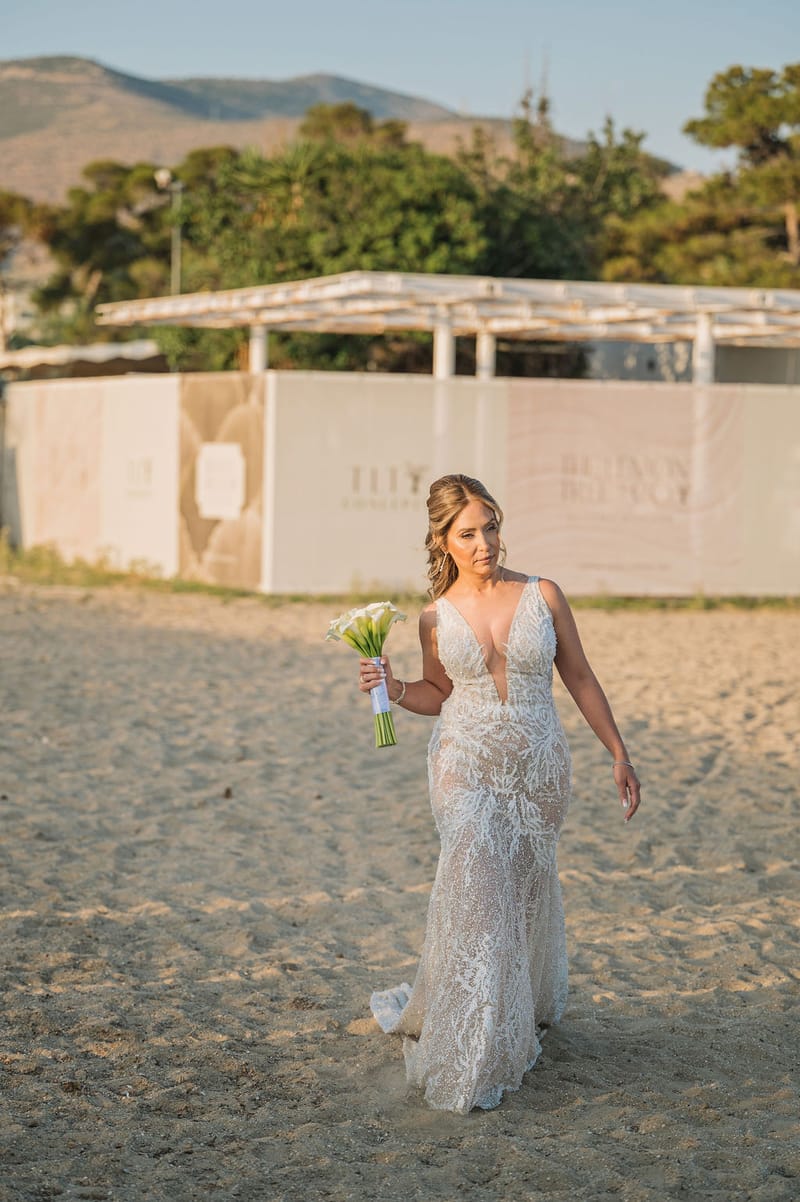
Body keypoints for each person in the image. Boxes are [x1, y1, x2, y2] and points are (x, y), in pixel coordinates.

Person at [358, 473, 641, 1114]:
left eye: (490, 527)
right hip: (463, 762)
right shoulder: (434, 617)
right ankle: (478, 1046)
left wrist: (619, 753)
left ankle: (516, 1007)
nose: (485, 543)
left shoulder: (543, 594)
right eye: (468, 533)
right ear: (444, 542)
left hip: (538, 768)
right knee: (478, 890)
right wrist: (396, 689)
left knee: (516, 897)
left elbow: (580, 677)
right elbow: (439, 694)